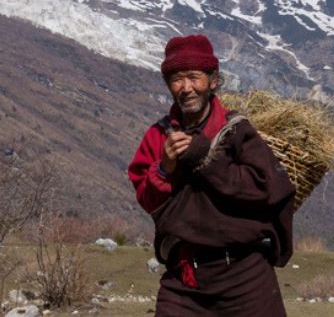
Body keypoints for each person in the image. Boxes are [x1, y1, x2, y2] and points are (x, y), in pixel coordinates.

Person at [127, 34, 296, 316]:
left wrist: (204, 157)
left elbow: (265, 188)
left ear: (213, 80)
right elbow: (147, 200)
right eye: (177, 79)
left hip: (246, 277)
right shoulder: (157, 137)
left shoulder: (237, 131)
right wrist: (164, 168)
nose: (186, 88)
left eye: (194, 77)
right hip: (184, 280)